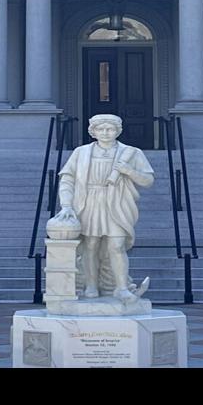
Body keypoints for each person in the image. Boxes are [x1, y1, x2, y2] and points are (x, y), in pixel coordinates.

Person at [53, 114, 156, 301]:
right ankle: (91, 286)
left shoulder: (132, 152)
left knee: (116, 245)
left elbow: (148, 180)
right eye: (101, 129)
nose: (106, 133)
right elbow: (67, 179)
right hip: (88, 201)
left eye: (110, 129)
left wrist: (129, 171)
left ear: (118, 131)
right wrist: (66, 205)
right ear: (93, 132)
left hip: (117, 203)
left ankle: (122, 287)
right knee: (90, 245)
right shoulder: (81, 152)